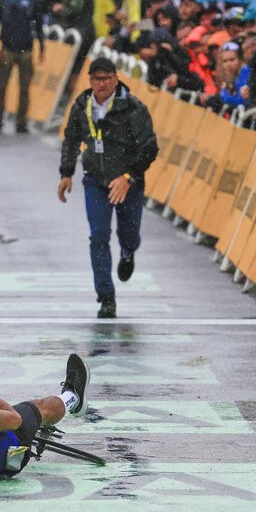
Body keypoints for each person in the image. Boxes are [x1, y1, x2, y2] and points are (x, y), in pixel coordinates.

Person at [58, 58, 158, 319]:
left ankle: (128, 252)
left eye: (106, 78)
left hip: (128, 182)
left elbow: (149, 148)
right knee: (99, 236)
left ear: (115, 78)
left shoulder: (133, 108)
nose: (100, 84)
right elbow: (71, 139)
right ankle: (106, 297)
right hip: (96, 180)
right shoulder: (82, 106)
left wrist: (128, 176)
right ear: (90, 81)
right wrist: (66, 172)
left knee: (129, 234)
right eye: (95, 79)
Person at [0, 0, 45, 134]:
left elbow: (38, 23)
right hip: (7, 48)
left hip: (26, 50)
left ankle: (21, 122)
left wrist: (42, 46)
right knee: (1, 86)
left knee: (25, 88)